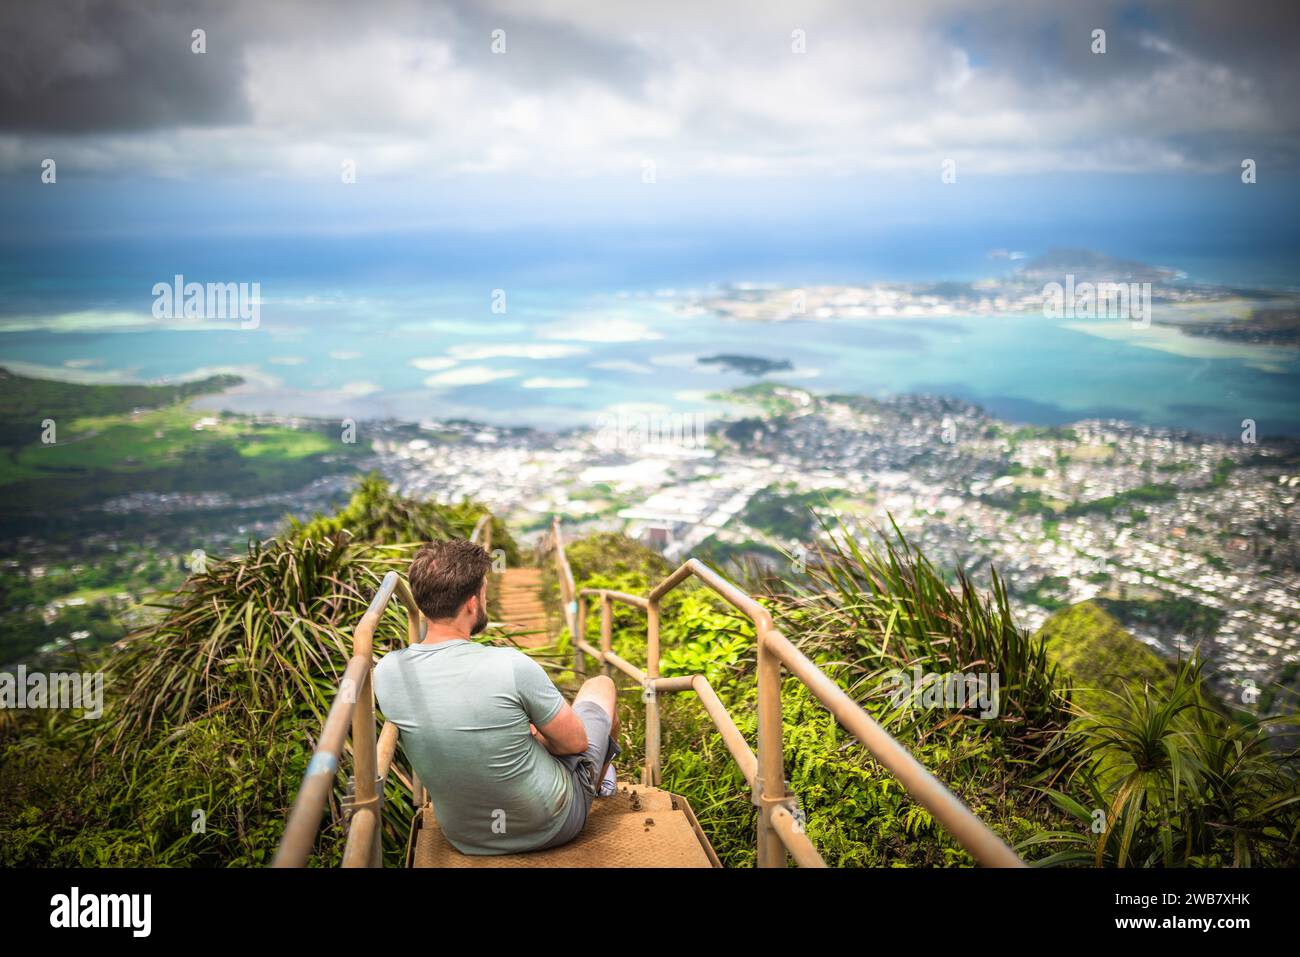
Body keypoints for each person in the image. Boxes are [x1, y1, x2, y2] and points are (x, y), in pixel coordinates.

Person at [373, 538, 622, 855]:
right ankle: (599, 785)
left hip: (465, 837)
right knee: (601, 686)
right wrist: (535, 738)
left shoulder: (388, 673)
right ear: (472, 603)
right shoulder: (511, 665)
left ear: (421, 606)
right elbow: (575, 744)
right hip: (553, 823)